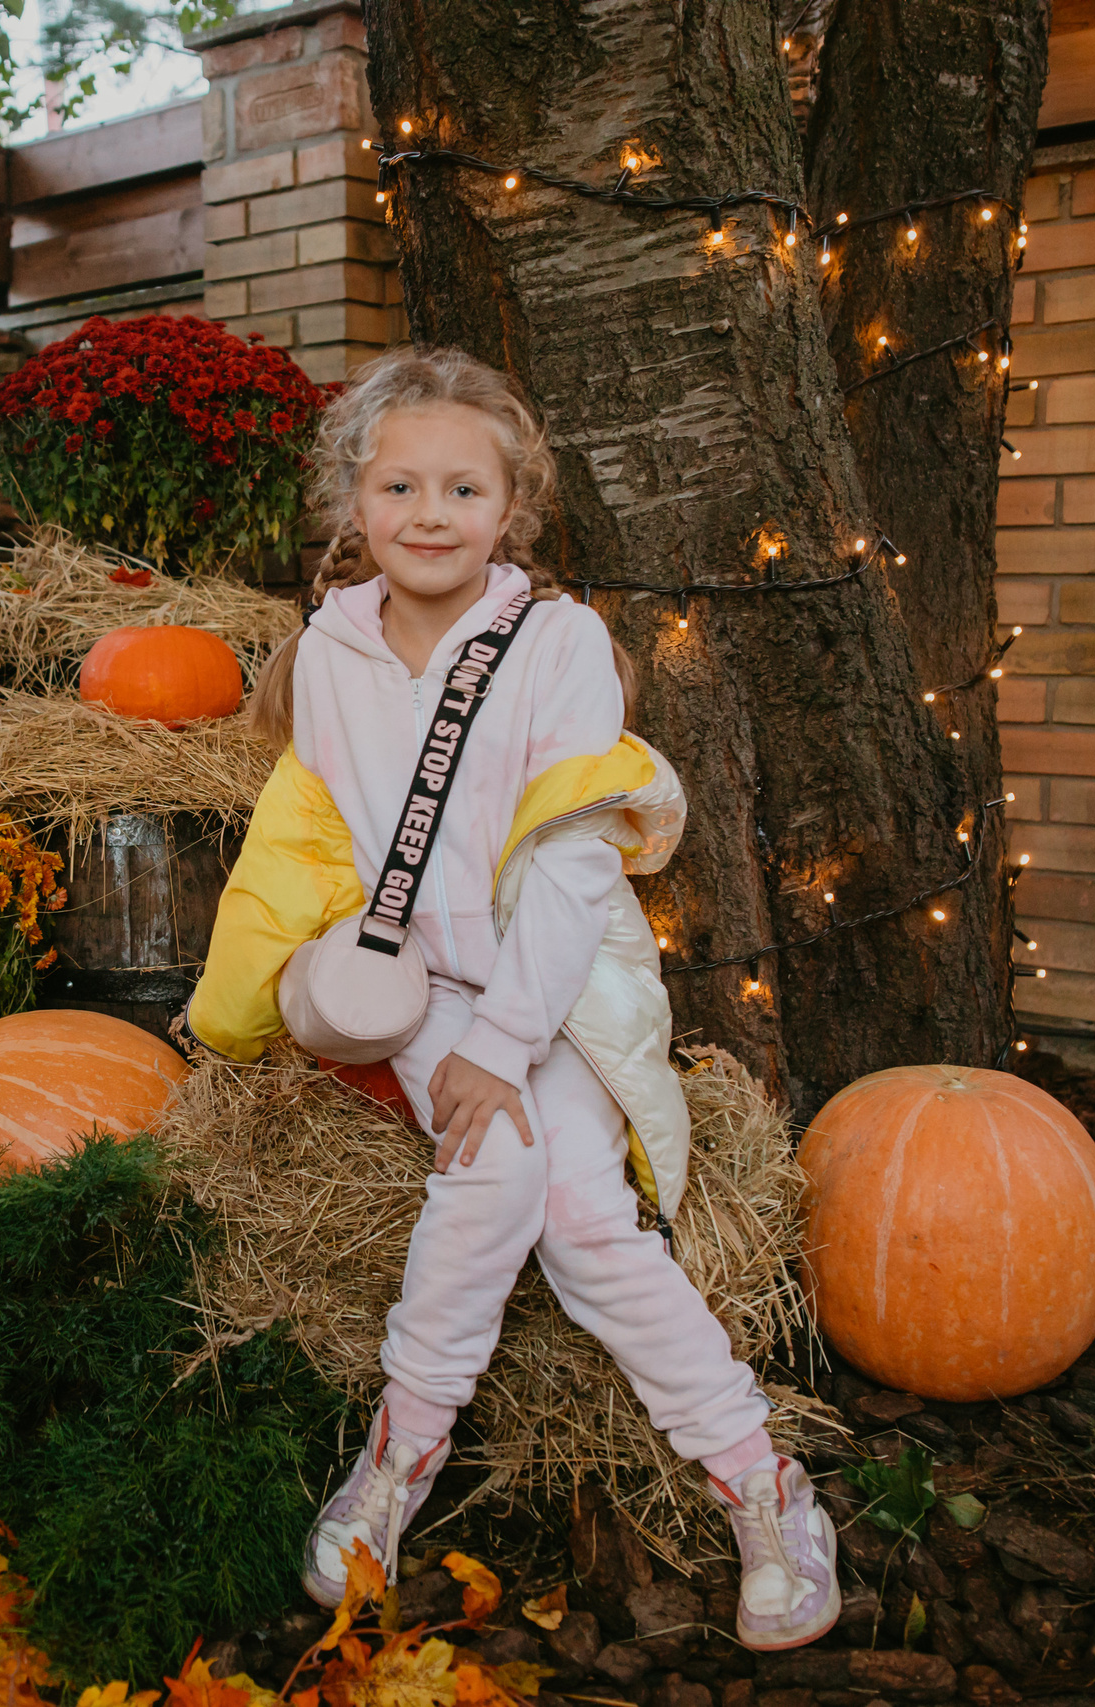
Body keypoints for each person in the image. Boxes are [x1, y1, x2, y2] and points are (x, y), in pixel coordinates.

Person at [184, 346, 838, 1651]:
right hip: (418, 986)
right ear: (353, 500)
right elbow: (311, 839)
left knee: (580, 1215)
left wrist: (501, 1044)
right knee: (501, 1175)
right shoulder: (324, 654)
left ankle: (757, 1480)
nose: (429, 515)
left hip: (560, 984)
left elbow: (573, 872)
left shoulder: (561, 647)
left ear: (512, 508)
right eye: (399, 486)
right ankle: (407, 1461)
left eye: (464, 490)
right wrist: (258, 993)